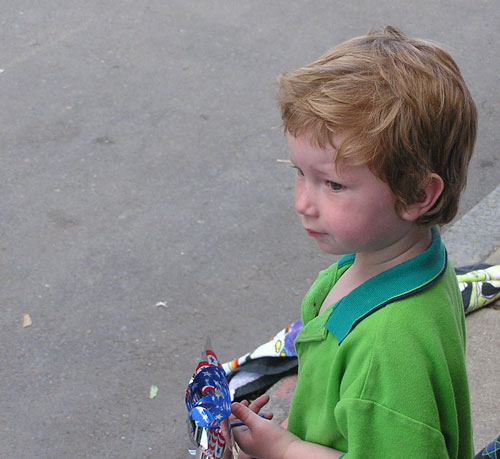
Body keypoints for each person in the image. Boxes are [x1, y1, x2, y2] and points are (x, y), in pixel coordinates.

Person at [228, 26, 477, 458]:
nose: (303, 203)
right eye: (299, 173)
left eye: (334, 184)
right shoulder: (399, 257)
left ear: (418, 194)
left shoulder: (384, 349)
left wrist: (285, 450)